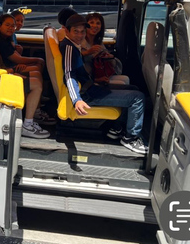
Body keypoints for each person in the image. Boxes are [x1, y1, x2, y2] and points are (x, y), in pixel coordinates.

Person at [60, 14, 146, 154]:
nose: (80, 35)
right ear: (67, 31)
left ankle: (116, 128)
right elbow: (69, 75)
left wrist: (96, 80)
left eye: (82, 31)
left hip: (91, 86)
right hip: (88, 94)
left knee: (132, 88)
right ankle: (131, 138)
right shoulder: (69, 48)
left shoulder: (74, 45)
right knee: (138, 97)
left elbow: (80, 73)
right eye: (76, 31)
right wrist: (77, 100)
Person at [0, 11, 50, 139]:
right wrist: (10, 73)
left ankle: (31, 116)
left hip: (1, 75)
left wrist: (11, 71)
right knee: (36, 85)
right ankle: (27, 126)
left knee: (34, 77)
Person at [0, 14, 54, 125]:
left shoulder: (6, 38)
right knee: (36, 77)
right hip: (6, 73)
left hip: (10, 69)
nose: (11, 28)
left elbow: (15, 56)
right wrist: (37, 59)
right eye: (7, 25)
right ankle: (28, 122)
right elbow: (17, 59)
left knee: (36, 71)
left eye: (13, 26)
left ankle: (36, 106)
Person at [82, 13, 129, 85]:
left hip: (100, 74)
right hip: (88, 79)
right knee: (121, 83)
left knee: (125, 79)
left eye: (98, 23)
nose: (95, 26)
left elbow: (112, 65)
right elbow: (77, 62)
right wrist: (88, 52)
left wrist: (109, 58)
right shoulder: (81, 42)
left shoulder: (99, 43)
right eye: (91, 23)